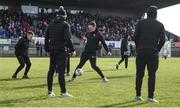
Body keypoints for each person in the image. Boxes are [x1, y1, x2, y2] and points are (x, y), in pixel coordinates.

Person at [133, 6, 165, 102]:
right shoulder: (160, 25)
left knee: (139, 74)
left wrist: (139, 47)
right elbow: (163, 40)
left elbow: (135, 37)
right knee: (152, 75)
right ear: (156, 14)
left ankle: (138, 96)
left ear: (147, 13)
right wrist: (157, 49)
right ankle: (150, 97)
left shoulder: (140, 23)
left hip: (141, 51)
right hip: (153, 52)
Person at [44, 6, 76, 97]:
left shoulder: (50, 24)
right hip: (61, 50)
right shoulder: (65, 24)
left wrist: (47, 50)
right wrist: (72, 50)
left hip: (52, 50)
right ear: (64, 16)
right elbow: (68, 38)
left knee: (51, 70)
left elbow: (46, 38)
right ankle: (63, 92)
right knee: (61, 72)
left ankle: (50, 92)